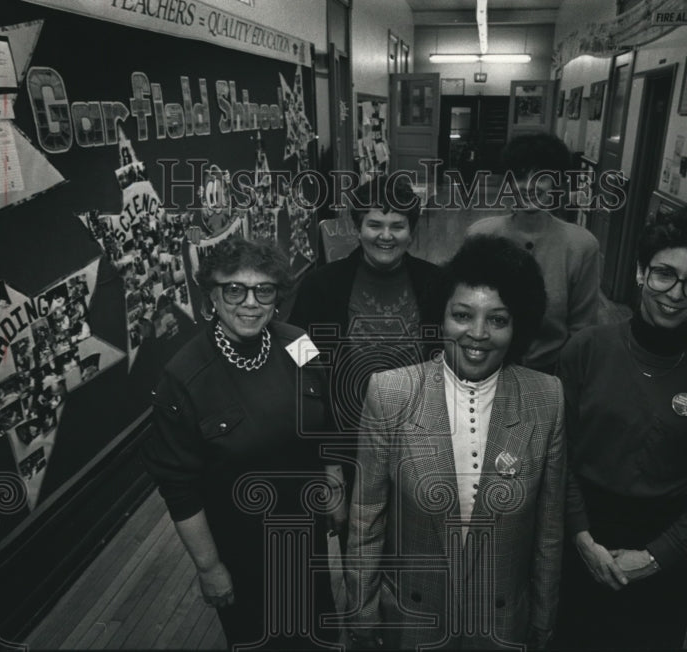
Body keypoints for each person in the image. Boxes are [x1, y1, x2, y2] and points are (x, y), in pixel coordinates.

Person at [345, 235, 565, 650]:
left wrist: (543, 616)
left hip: (500, 625)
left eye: (498, 320)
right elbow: (365, 518)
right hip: (413, 620)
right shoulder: (391, 393)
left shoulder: (547, 397)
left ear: (519, 325)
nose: (477, 334)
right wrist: (362, 609)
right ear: (440, 317)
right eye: (462, 315)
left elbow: (549, 530)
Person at [554, 207, 687, 649]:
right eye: (665, 273)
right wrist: (582, 537)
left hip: (667, 550)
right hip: (578, 533)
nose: (676, 293)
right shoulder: (586, 350)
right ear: (641, 272)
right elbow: (557, 457)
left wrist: (652, 558)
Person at [142, 238, 338, 649]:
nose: (250, 302)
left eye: (263, 289)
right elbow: (178, 487)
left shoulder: (299, 341)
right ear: (212, 295)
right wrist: (209, 567)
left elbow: (326, 417)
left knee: (318, 628)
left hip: (306, 531)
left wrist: (335, 483)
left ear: (276, 296)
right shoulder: (183, 378)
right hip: (242, 547)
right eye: (235, 289)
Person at [287, 174, 440, 549]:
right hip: (350, 443)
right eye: (374, 224)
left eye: (397, 225)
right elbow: (300, 361)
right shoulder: (322, 286)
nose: (385, 235)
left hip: (422, 443)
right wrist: (330, 465)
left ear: (411, 231)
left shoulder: (437, 283)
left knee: (419, 548)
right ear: (358, 228)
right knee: (360, 548)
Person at [467, 132, 600, 374]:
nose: (529, 186)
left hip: (553, 373)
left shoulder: (581, 245)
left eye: (541, 176)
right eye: (519, 176)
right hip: (486, 369)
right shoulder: (481, 235)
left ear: (556, 182)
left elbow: (583, 329)